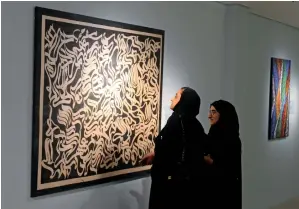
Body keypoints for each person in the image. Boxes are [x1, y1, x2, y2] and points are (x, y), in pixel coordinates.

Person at [141, 87, 206, 209]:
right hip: (185, 187)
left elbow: (170, 150)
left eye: (176, 96)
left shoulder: (176, 122)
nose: (172, 99)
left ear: (183, 101)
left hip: (170, 188)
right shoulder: (194, 124)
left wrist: (159, 156)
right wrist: (155, 154)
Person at [203, 100, 242, 209]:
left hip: (225, 192)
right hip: (212, 190)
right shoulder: (213, 135)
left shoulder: (231, 140)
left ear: (223, 114)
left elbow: (228, 169)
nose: (209, 116)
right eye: (210, 111)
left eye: (214, 112)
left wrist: (209, 160)